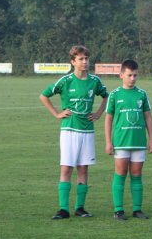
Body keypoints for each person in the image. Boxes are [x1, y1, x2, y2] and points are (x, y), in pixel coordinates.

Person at [40, 45, 108, 220]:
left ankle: (80, 208)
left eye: (86, 58)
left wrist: (99, 113)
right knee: (66, 168)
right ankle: (63, 209)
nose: (84, 62)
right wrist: (57, 114)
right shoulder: (66, 81)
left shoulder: (95, 81)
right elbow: (44, 95)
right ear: (73, 62)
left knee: (83, 168)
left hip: (87, 130)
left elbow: (106, 96)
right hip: (69, 130)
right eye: (80, 59)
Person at [104, 59, 152, 221]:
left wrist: (151, 139)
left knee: (136, 174)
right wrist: (108, 141)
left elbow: (148, 117)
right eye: (129, 75)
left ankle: (137, 209)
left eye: (135, 75)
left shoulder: (142, 94)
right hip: (121, 142)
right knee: (120, 174)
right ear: (121, 75)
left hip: (139, 142)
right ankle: (118, 210)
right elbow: (108, 119)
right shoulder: (115, 95)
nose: (132, 78)